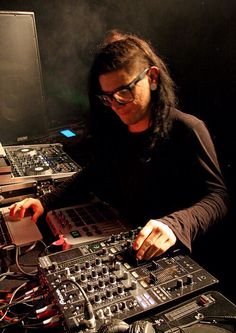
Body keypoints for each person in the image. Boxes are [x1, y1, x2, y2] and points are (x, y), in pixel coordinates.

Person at [9, 30, 228, 261]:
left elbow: (219, 197)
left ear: (152, 78)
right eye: (108, 97)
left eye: (124, 91)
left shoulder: (188, 129)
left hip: (170, 253)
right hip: (128, 240)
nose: (116, 105)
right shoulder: (118, 129)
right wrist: (45, 202)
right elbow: (93, 173)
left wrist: (175, 224)